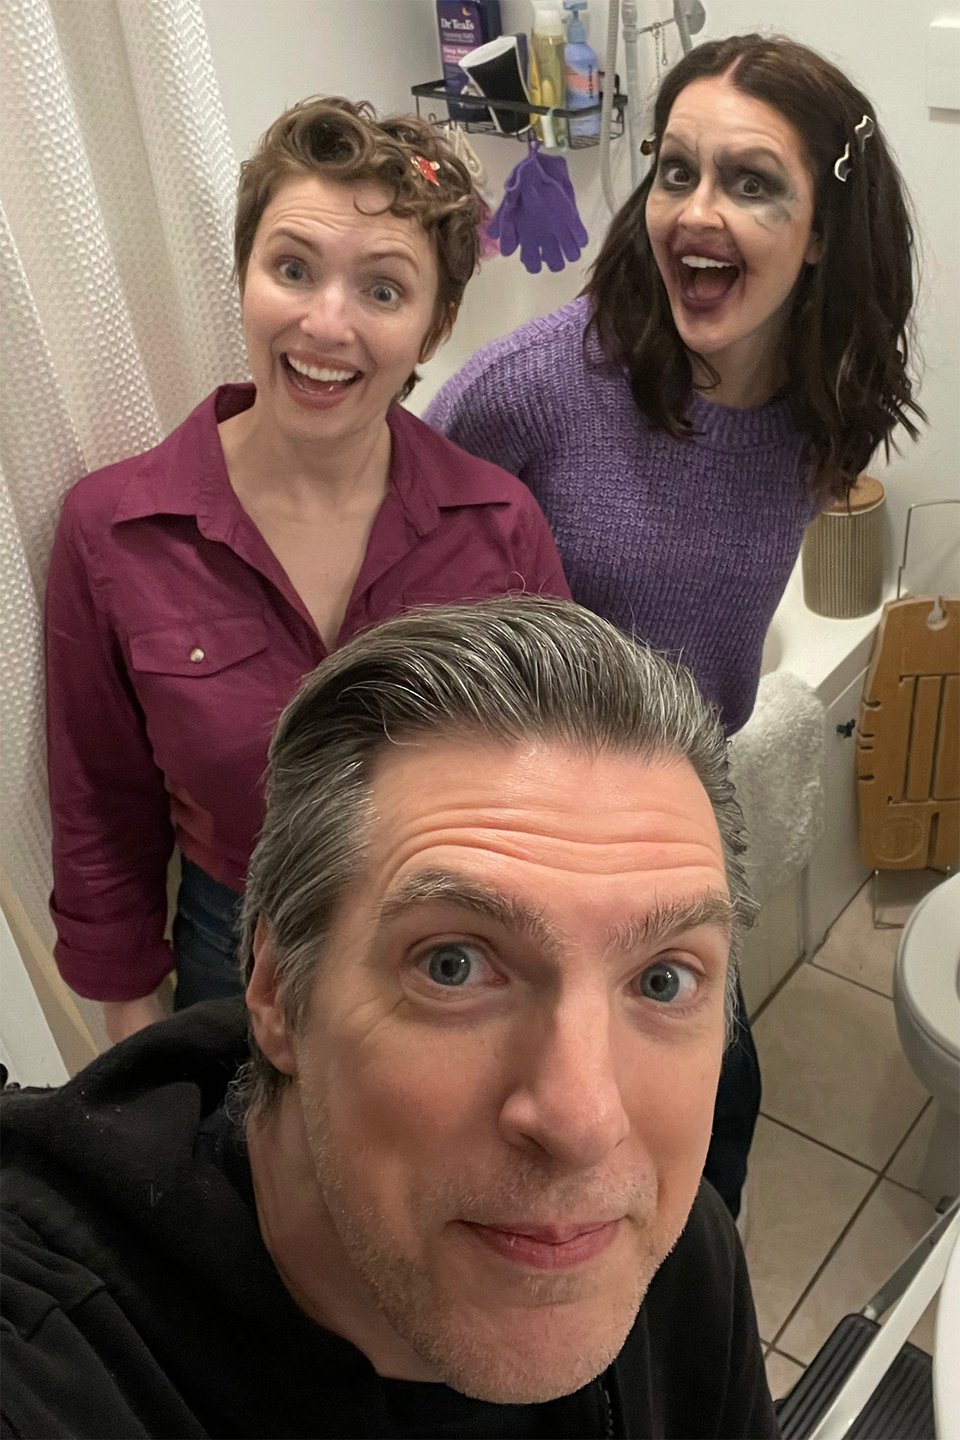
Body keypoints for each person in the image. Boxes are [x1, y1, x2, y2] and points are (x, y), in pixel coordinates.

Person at [2, 595, 776, 1440]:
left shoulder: (681, 1256)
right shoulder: (55, 1359)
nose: (585, 1122)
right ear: (274, 988)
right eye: (454, 966)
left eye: (663, 980)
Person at [424, 33, 926, 1217]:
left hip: (683, 808)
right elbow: (408, 590)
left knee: (712, 1112)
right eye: (677, 170)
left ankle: (673, 1328)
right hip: (534, 826)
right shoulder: (533, 387)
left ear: (822, 235)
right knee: (576, 1136)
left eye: (751, 182)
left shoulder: (825, 410)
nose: (695, 211)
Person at [44, 98, 569, 1046]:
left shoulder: (498, 526)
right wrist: (131, 1033)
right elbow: (102, 807)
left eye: (381, 289)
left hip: (458, 941)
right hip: (234, 943)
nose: (327, 324)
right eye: (293, 269)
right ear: (244, 276)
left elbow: (556, 775)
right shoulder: (113, 530)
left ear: (435, 324)